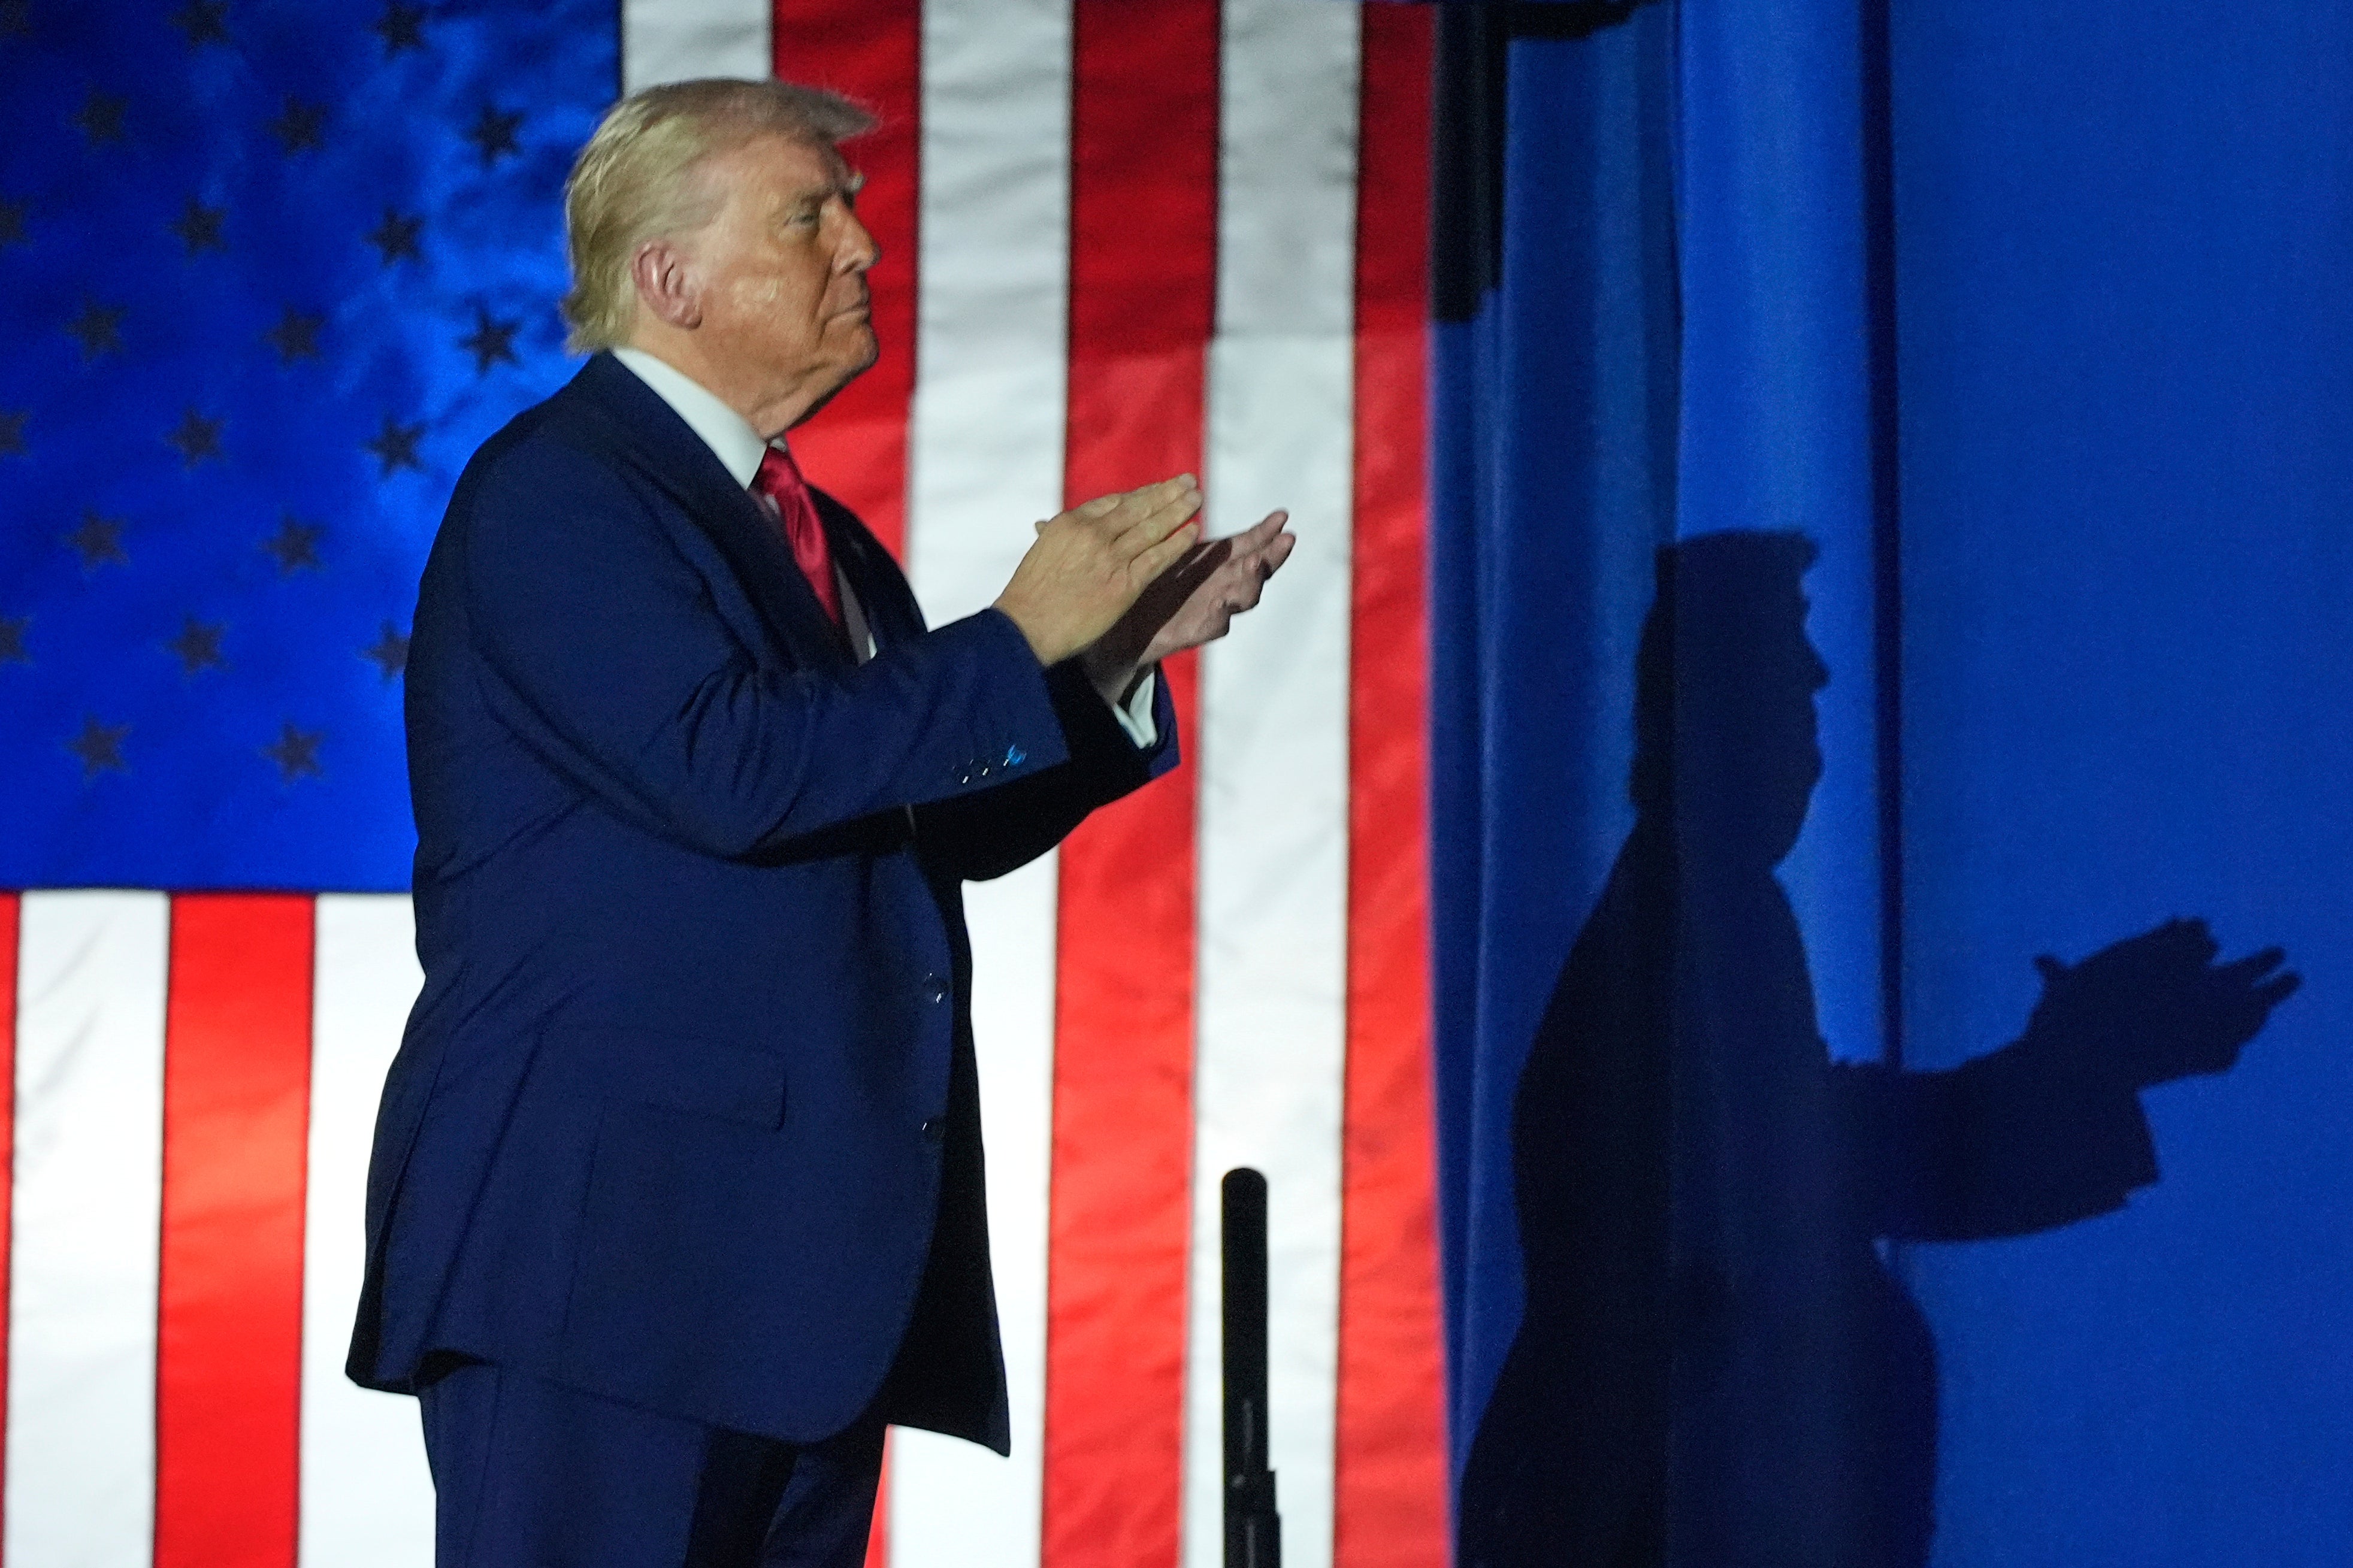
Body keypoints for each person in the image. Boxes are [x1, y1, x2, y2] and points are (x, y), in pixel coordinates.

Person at [348, 78, 1295, 1567]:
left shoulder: (819, 537)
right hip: (609, 1271)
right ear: (671, 277)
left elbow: (922, 818)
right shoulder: (560, 492)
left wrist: (1103, 661)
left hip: (791, 1281)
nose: (861, 247)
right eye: (809, 215)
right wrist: (1011, 640)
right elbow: (730, 770)